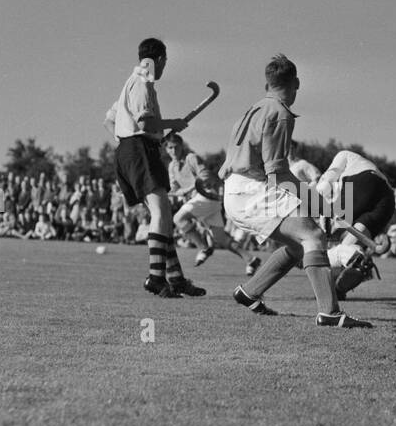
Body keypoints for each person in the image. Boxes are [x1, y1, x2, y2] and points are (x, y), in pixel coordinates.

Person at [218, 53, 371, 327]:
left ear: (268, 83)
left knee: (299, 245)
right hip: (252, 190)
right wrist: (315, 202)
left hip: (235, 190)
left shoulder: (254, 109)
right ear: (296, 83)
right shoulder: (280, 113)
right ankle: (330, 313)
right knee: (312, 234)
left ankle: (249, 292)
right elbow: (277, 172)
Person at [105, 37, 205, 298]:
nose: (164, 67)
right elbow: (147, 125)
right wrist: (173, 123)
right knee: (161, 213)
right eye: (165, 62)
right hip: (139, 150)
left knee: (164, 219)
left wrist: (124, 141)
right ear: (159, 59)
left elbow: (109, 120)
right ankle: (155, 278)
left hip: (129, 151)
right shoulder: (143, 83)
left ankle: (175, 279)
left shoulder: (130, 81)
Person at [312, 148, 395, 296]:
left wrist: (315, 197)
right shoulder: (363, 165)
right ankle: (344, 280)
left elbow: (326, 181)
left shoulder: (344, 155)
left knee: (324, 235)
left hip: (363, 182)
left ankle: (316, 262)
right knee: (348, 248)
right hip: (388, 200)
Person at [164, 133, 252, 270]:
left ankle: (203, 248)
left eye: (176, 147)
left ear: (181, 146)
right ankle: (251, 259)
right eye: (170, 148)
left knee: (178, 218)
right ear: (166, 149)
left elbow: (205, 176)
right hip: (205, 203)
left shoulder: (191, 158)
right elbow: (174, 188)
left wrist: (186, 190)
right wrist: (163, 194)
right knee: (220, 238)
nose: (173, 151)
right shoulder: (171, 167)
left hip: (206, 196)